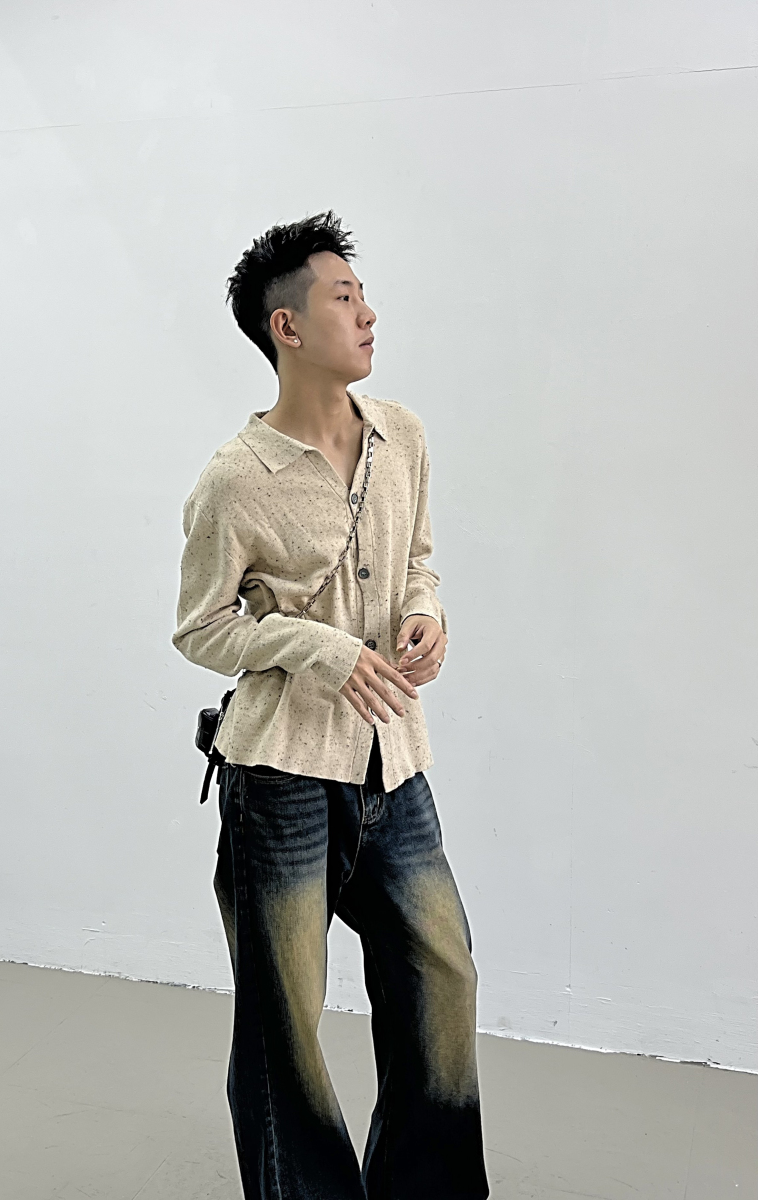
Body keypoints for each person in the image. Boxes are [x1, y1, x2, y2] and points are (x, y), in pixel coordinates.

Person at [173, 211, 489, 1199]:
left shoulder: (404, 437)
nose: (368, 313)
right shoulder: (236, 480)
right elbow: (200, 629)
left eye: (364, 295)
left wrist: (426, 612)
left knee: (442, 974)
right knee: (285, 1023)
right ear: (288, 327)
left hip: (394, 760)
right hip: (279, 779)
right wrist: (313, 646)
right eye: (344, 297)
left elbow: (419, 558)